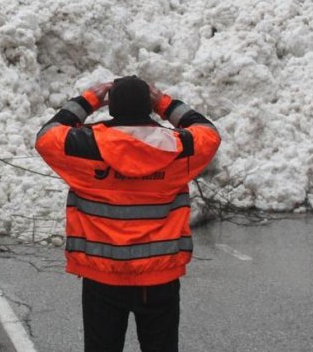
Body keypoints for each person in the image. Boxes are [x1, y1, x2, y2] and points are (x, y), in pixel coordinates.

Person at [34, 75, 221, 352]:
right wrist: (165, 104)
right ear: (149, 106)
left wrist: (89, 99)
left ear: (112, 108)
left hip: (102, 275)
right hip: (159, 277)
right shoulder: (177, 148)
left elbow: (47, 136)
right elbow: (208, 133)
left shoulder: (86, 146)